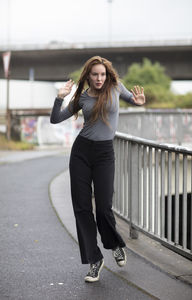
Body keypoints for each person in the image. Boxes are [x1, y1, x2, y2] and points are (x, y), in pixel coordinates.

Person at [50, 56, 145, 283]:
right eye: (95, 74)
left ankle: (115, 245)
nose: (99, 78)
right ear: (88, 76)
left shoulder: (115, 88)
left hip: (104, 154)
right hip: (81, 153)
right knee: (82, 209)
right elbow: (56, 119)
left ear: (107, 74)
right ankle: (94, 260)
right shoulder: (82, 98)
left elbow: (133, 99)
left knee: (103, 207)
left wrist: (138, 101)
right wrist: (59, 98)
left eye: (102, 74)